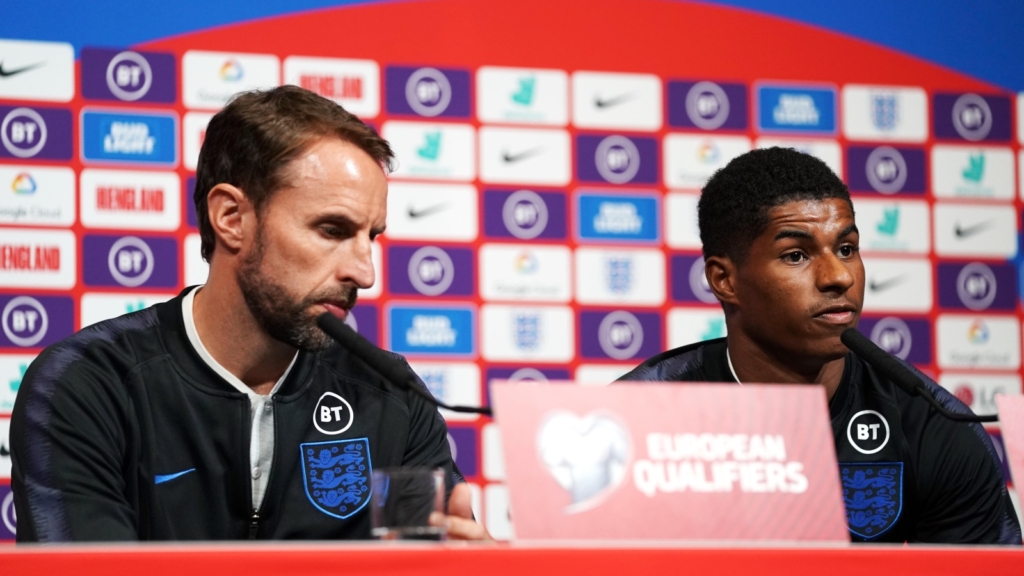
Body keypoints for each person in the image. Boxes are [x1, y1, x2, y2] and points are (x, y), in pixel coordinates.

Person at [10, 86, 488, 541]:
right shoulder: (89, 387)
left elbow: (416, 556)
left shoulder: (390, 400)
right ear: (231, 218)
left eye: (372, 237)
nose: (364, 273)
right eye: (331, 230)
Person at [619, 147, 1022, 544]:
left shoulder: (930, 420)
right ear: (725, 280)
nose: (838, 276)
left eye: (846, 249)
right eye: (796, 255)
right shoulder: (638, 418)